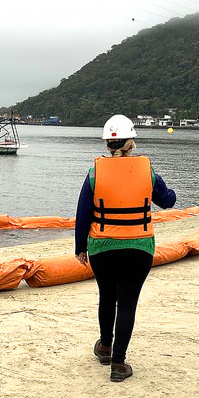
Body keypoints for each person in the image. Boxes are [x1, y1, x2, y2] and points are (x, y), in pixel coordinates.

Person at [75, 114, 176, 382]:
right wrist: (166, 191)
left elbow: (83, 213)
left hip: (102, 247)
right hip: (139, 248)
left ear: (108, 144)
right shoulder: (146, 170)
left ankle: (105, 347)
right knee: (128, 302)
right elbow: (167, 201)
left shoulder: (94, 172)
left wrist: (79, 247)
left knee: (107, 297)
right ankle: (118, 364)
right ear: (131, 142)